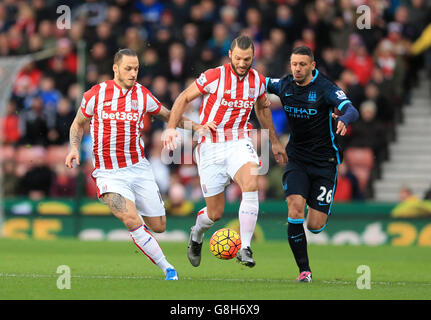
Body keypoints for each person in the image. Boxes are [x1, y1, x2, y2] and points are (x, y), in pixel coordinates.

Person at [65, 48, 206, 280]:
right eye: (128, 68)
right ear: (115, 68)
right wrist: (73, 148)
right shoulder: (96, 94)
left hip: (138, 169)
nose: (133, 73)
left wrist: (197, 127)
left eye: (136, 69)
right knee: (131, 219)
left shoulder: (142, 94)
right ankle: (168, 269)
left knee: (159, 226)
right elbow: (78, 123)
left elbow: (169, 115)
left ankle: (151, 223)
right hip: (108, 173)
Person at [162, 35, 287, 268]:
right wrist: (170, 128)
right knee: (214, 213)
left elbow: (262, 110)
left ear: (253, 57)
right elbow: (183, 98)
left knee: (251, 183)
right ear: (230, 55)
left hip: (239, 140)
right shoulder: (214, 76)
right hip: (210, 144)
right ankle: (196, 234)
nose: (242, 63)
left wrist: (275, 142)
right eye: (238, 58)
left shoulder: (258, 81)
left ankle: (246, 247)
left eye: (247, 59)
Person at [266, 46, 359, 282]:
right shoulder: (283, 85)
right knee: (295, 207)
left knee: (315, 225)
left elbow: (351, 109)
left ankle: (314, 204)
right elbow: (258, 81)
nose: (297, 68)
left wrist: (345, 119)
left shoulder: (325, 88)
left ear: (312, 66)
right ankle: (304, 271)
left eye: (302, 65)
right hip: (296, 158)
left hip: (324, 162)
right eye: (294, 64)